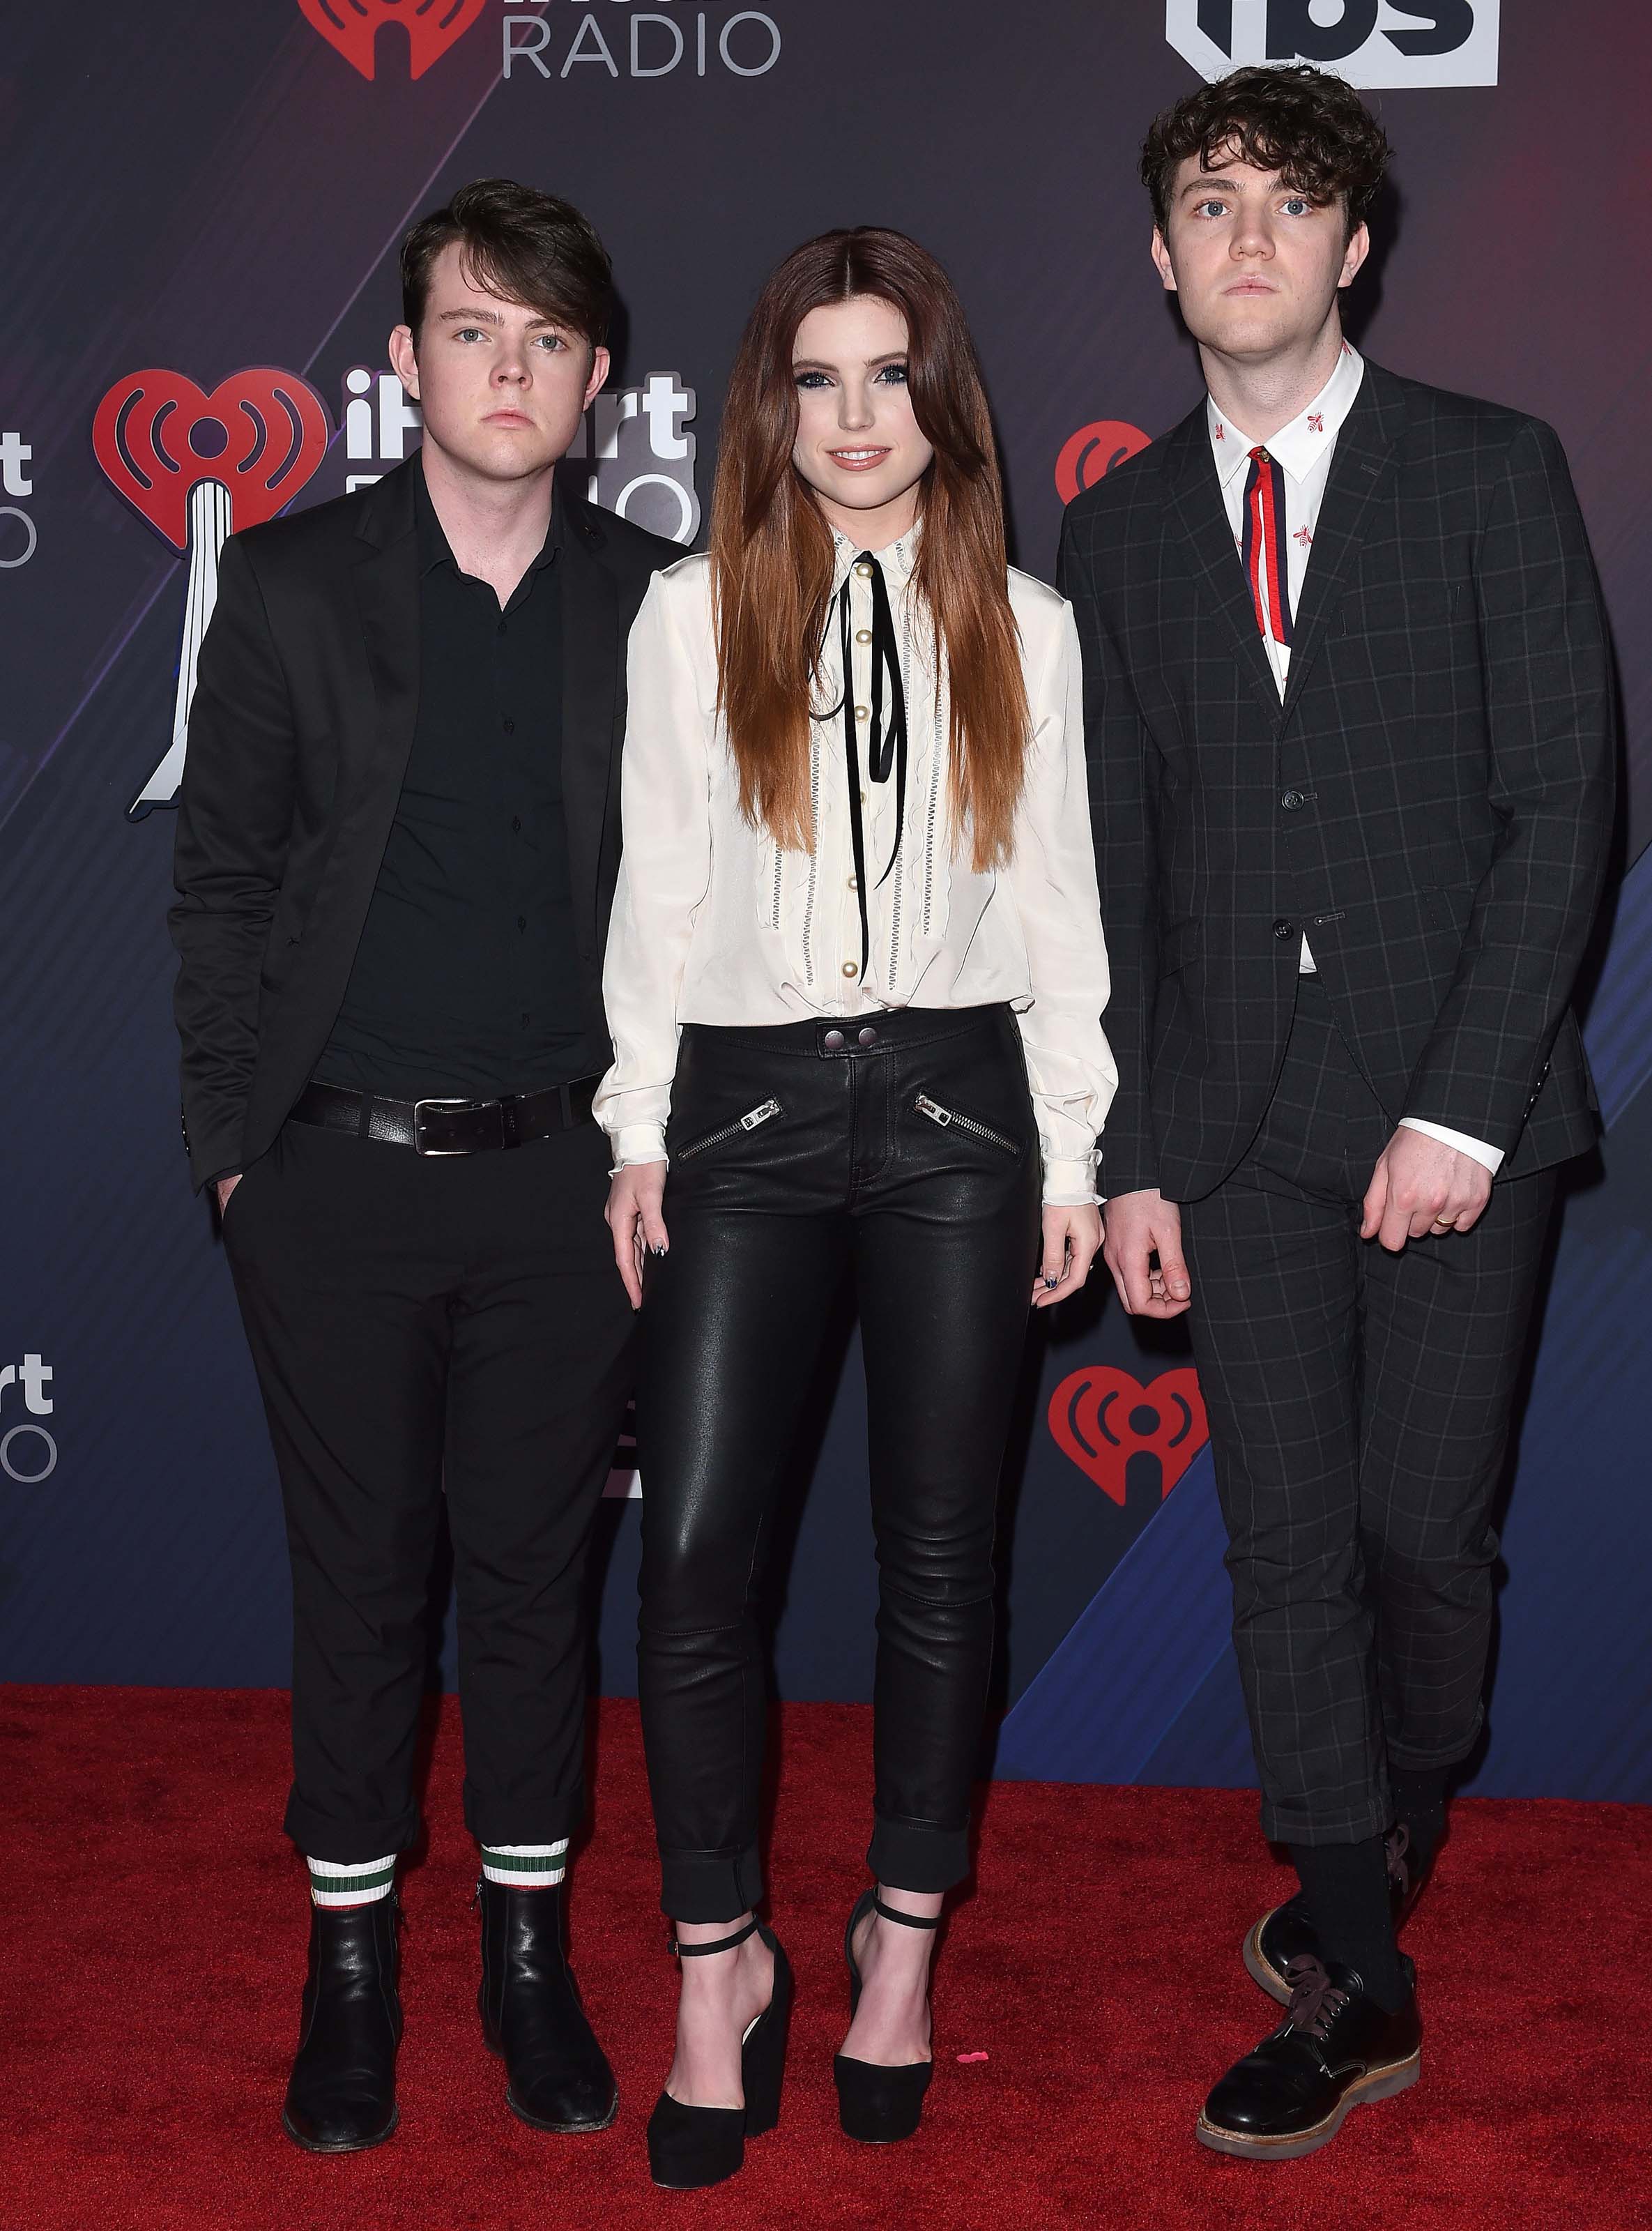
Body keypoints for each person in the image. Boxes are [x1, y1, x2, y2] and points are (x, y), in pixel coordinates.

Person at [1060, 66, 1614, 2160]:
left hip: (1450, 1111)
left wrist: (1464, 1109)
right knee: (1280, 1553)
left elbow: (1564, 804)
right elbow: (1107, 865)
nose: (1246, 239)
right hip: (1227, 1130)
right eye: (1208, 204)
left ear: (1353, 244)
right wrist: (1125, 1149)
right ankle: (1355, 1984)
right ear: (1160, 252)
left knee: (1417, 1550)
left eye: (1288, 204)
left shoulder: (1487, 469)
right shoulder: (1109, 531)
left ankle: (1387, 1818)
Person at [599, 226, 1115, 2188]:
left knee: (938, 1562)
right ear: (768, 406)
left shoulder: (1030, 627)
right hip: (737, 1111)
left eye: (884, 376)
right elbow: (652, 892)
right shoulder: (687, 613)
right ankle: (718, 1958)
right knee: (698, 1560)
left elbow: (1058, 906)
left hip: (959, 1118)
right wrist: (636, 1129)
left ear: (938, 396)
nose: (850, 419)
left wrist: (1069, 1145)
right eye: (812, 381)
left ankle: (898, 1944)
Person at [170, 179, 681, 2153]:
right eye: (471, 332)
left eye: (547, 341)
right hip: (331, 1187)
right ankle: (352, 1976)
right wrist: (233, 1153)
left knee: (541, 1592)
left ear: (594, 385)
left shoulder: (658, 602)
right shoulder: (292, 590)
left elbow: (700, 918)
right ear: (403, 365)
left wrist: (660, 1160)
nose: (509, 370)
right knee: (361, 1590)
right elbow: (214, 891)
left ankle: (529, 1967)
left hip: (568, 1195)